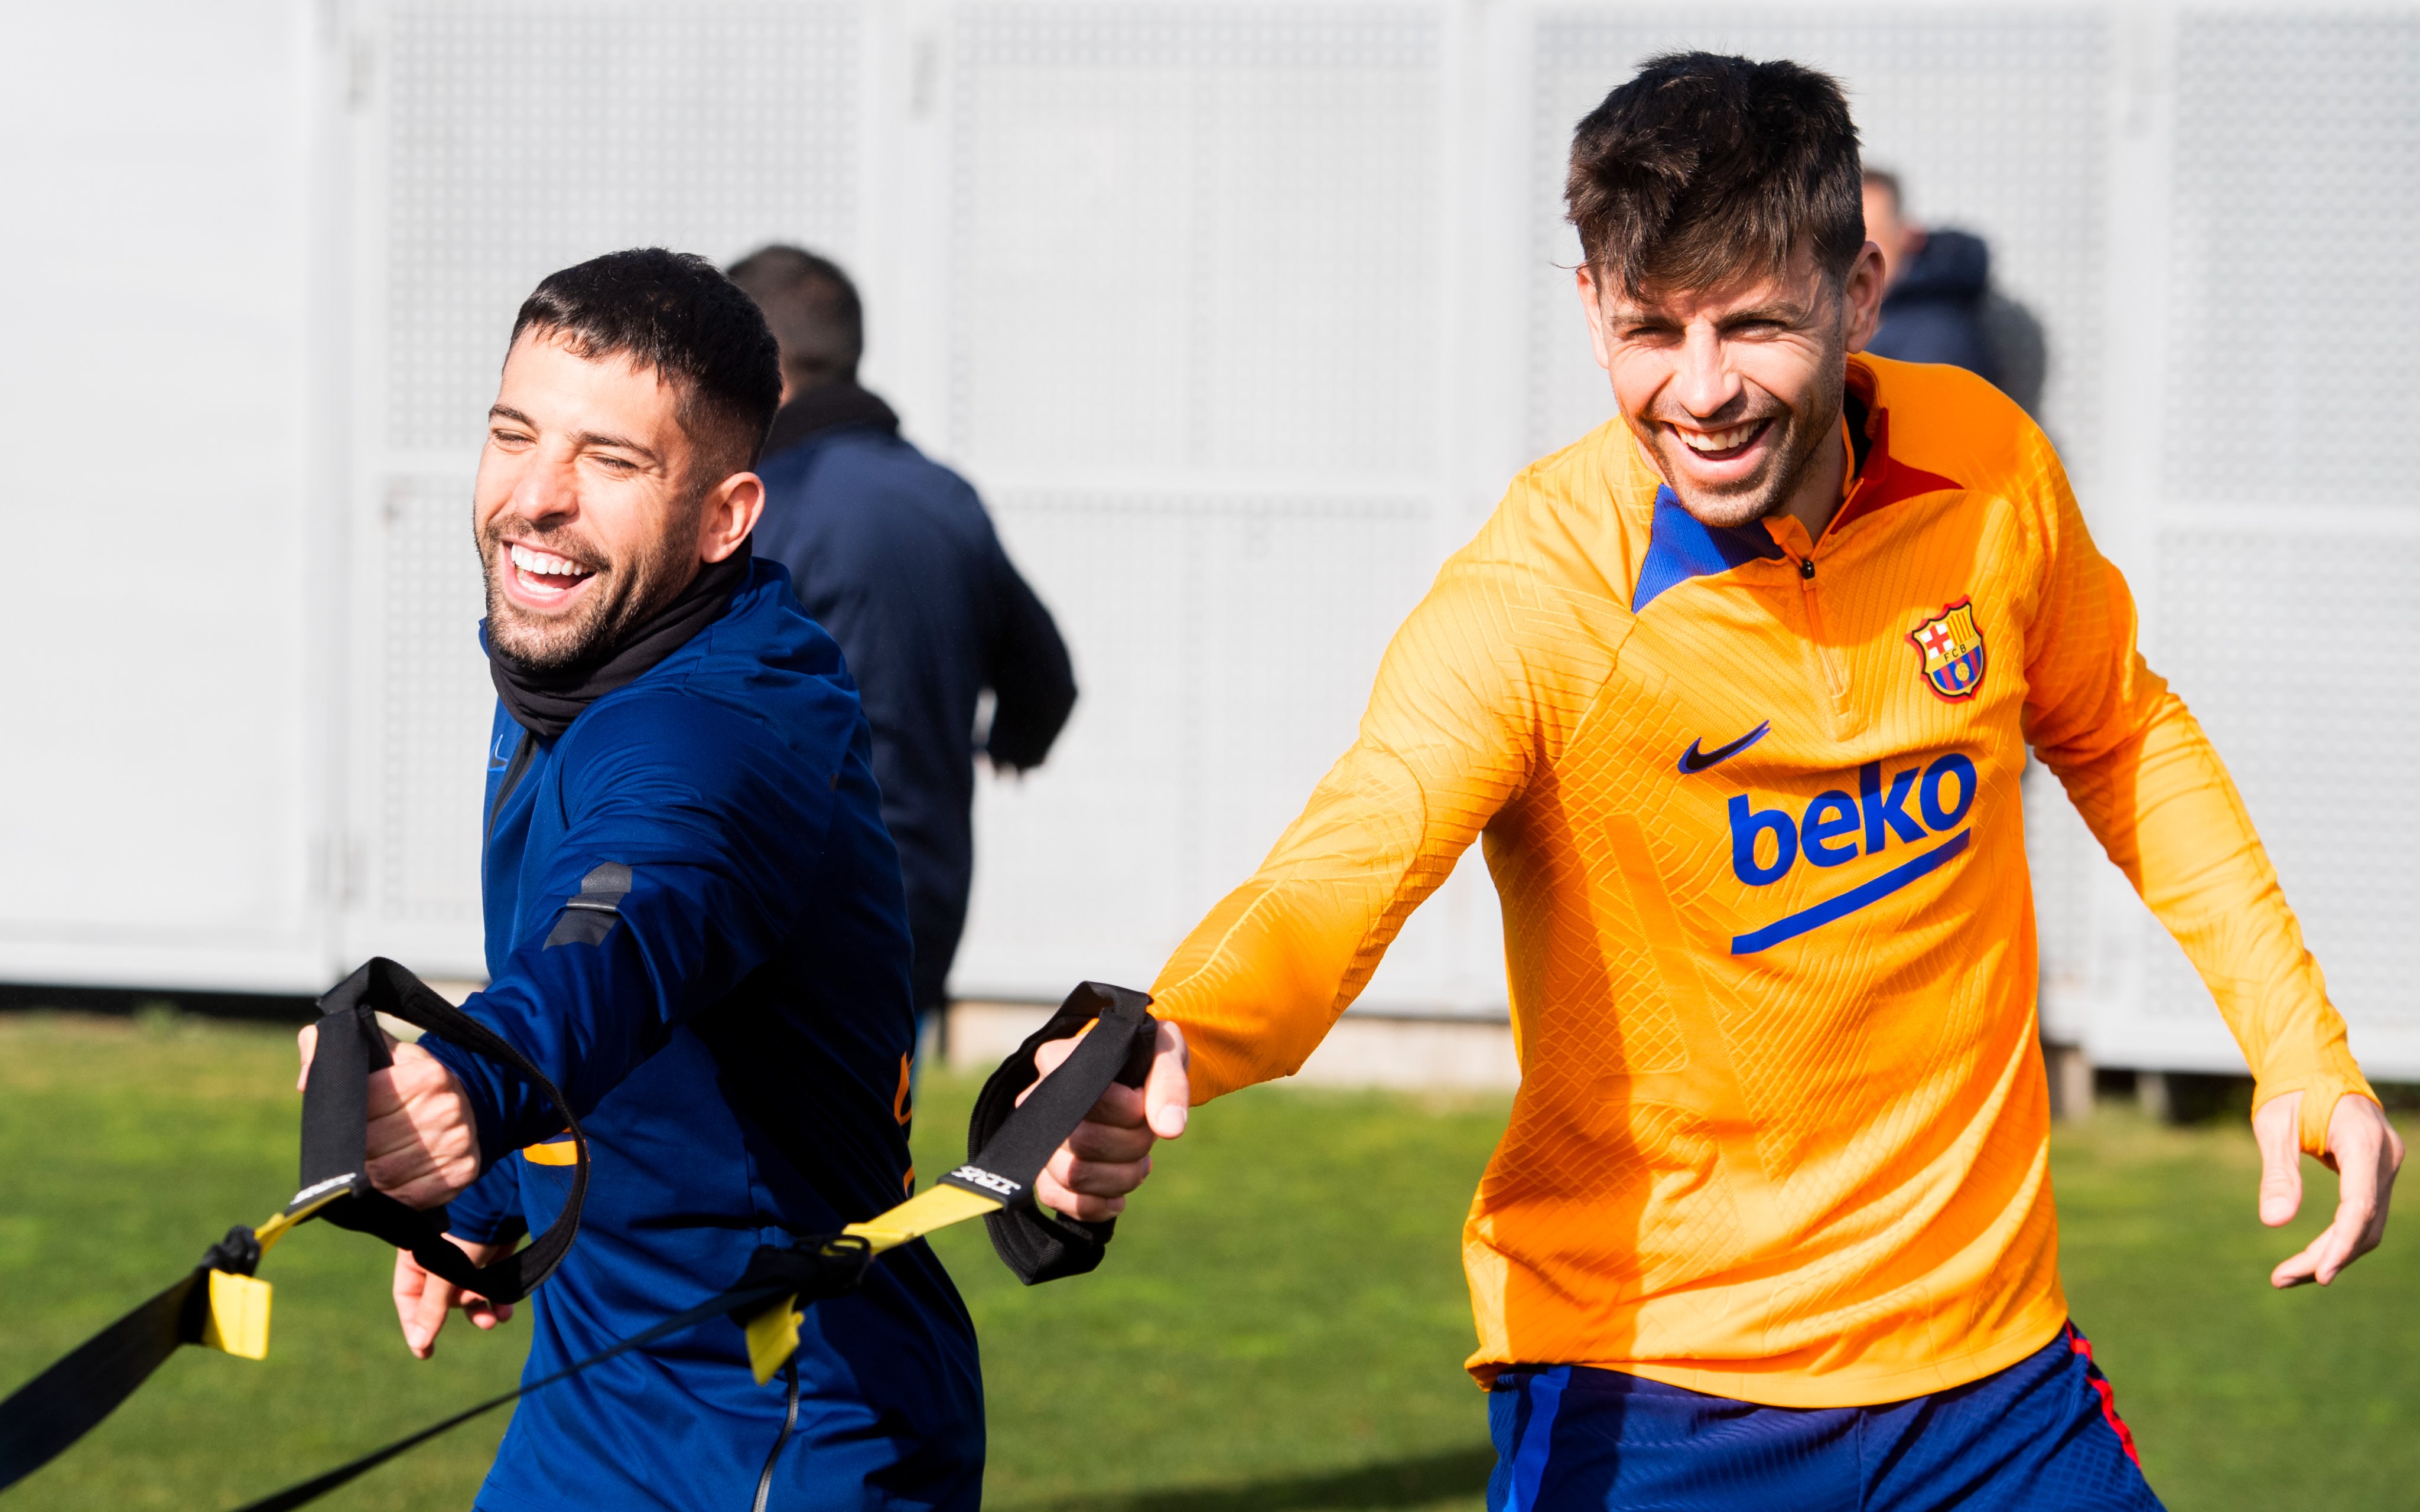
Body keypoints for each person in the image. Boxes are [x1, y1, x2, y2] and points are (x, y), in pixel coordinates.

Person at [1042, 52, 2403, 1511]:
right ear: (1589, 310)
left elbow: (2127, 736)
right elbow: (1357, 849)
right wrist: (1180, 1027)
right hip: (1660, 1396)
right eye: (1651, 332)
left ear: (1859, 292)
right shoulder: (1539, 591)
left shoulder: (1991, 469)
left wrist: (2301, 1044)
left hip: (1992, 1379)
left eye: (1753, 325)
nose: (1700, 392)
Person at [295, 249, 985, 1509]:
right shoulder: (571, 650)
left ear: (723, 517)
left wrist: (474, 1079)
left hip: (777, 1415)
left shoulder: (720, 727)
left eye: (610, 461)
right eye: (514, 434)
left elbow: (628, 917)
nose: (535, 498)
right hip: (593, 1378)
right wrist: (489, 1191)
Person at [727, 245, 1076, 1061]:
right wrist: (1012, 745)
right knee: (874, 1154)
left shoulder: (752, 507)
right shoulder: (945, 497)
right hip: (921, 895)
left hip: (786, 902)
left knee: (766, 1173)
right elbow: (1046, 679)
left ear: (758, 370)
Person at [1862, 167, 2048, 415]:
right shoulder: (1890, 315)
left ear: (1909, 236)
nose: (1859, 256)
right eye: (1847, 241)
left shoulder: (1935, 338)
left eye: (1874, 238)